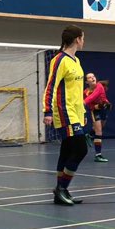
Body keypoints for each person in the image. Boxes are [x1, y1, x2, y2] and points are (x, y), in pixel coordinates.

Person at [42, 25, 89, 206]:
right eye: (83, 38)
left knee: (67, 150)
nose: (84, 41)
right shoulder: (59, 60)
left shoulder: (75, 61)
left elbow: (76, 91)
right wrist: (47, 110)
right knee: (80, 149)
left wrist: (83, 112)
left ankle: (61, 192)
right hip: (64, 112)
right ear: (77, 39)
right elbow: (50, 86)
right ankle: (61, 188)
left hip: (76, 113)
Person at [83, 72, 111, 163]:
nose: (92, 78)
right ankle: (98, 155)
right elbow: (91, 100)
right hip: (95, 111)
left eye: (93, 76)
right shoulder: (85, 92)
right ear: (87, 82)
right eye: (90, 78)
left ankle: (89, 135)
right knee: (99, 132)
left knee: (100, 127)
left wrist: (106, 103)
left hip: (104, 109)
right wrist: (87, 103)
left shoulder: (99, 86)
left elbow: (98, 95)